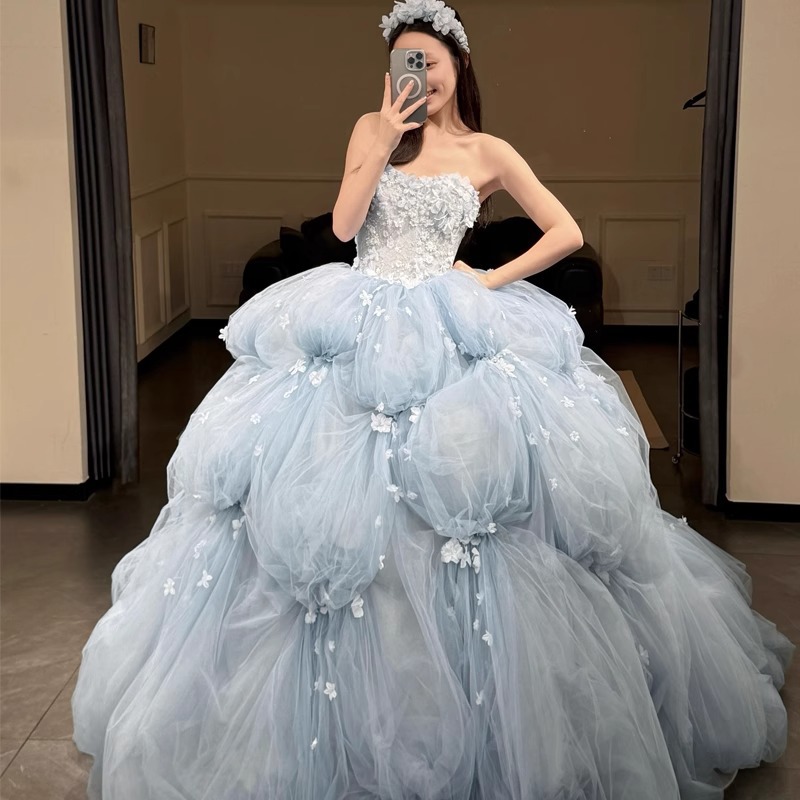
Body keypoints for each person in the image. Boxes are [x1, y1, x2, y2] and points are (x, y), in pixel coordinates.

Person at [71, 2, 794, 798]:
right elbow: (344, 226)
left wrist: (488, 279)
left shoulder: (489, 150)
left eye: (431, 60)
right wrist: (381, 142)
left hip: (453, 320)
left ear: (459, 65)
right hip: (358, 315)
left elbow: (563, 230)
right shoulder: (370, 129)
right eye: (405, 61)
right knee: (326, 502)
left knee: (469, 494)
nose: (419, 74)